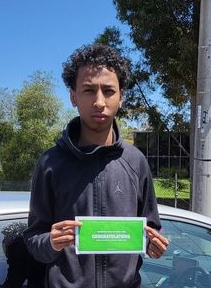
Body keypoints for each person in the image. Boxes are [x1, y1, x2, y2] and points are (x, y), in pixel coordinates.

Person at [23, 43, 169, 288]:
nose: (99, 101)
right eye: (89, 90)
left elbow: (150, 230)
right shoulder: (50, 163)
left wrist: (154, 246)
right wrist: (50, 242)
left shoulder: (136, 162)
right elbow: (34, 239)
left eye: (108, 91)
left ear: (121, 97)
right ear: (73, 96)